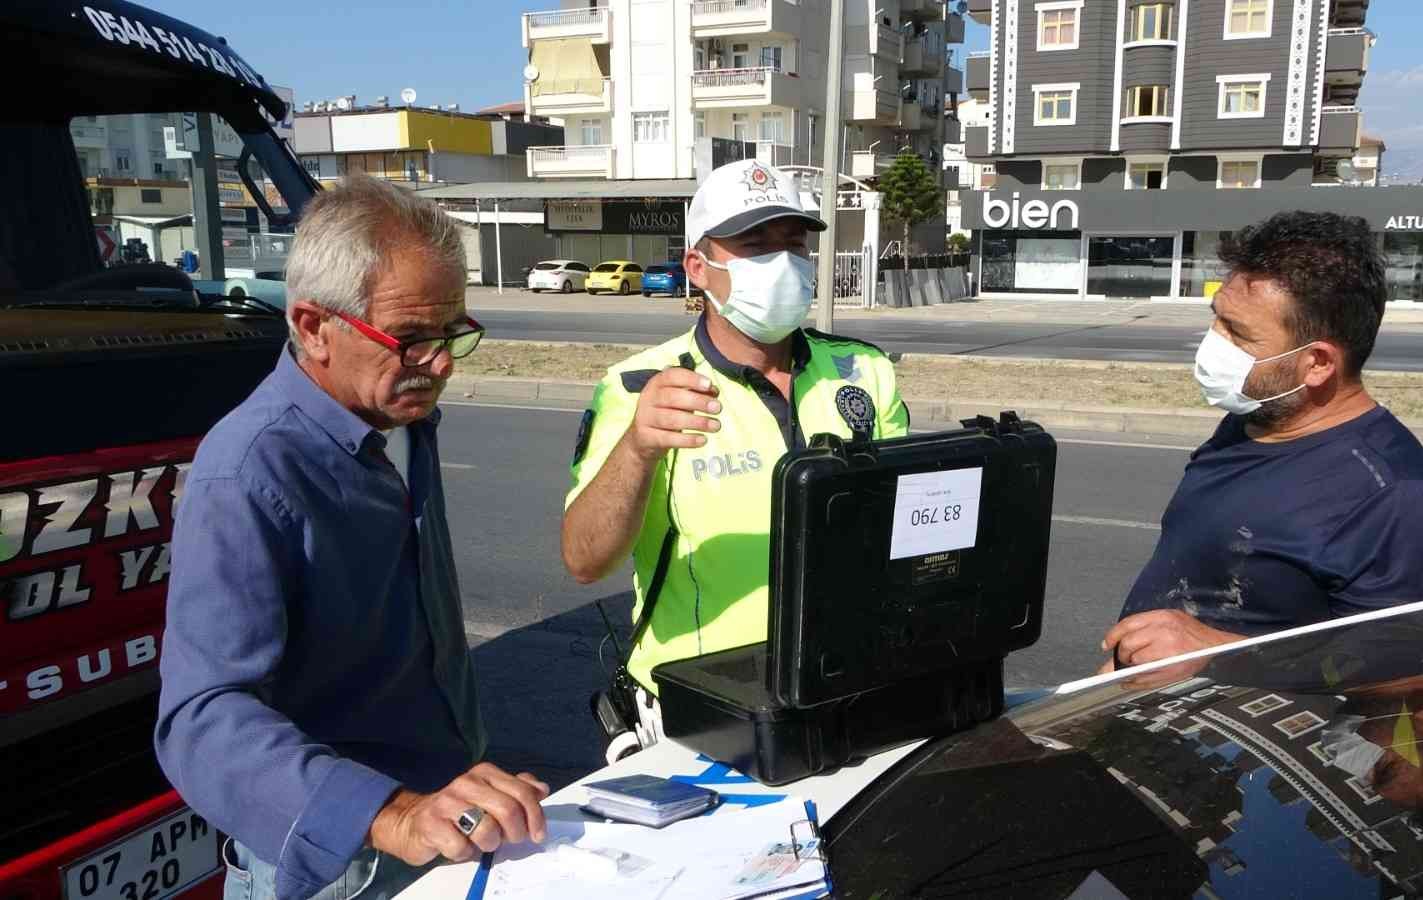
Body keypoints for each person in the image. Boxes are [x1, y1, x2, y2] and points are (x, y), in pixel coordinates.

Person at [156, 175, 548, 900]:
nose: (441, 364)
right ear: (312, 327)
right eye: (409, 340)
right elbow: (201, 719)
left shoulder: (400, 416)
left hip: (450, 816)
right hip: (348, 864)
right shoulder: (247, 470)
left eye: (453, 331)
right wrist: (390, 812)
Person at [562, 159, 910, 758]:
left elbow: (906, 530)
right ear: (698, 267)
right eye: (755, 245)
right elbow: (585, 560)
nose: (782, 262)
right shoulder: (639, 387)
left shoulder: (864, 370)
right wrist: (638, 446)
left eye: (793, 243)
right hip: (703, 713)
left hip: (848, 688)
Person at [1102, 211, 1423, 672]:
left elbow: (1410, 677)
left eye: (1238, 333)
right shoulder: (1254, 419)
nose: (1212, 343)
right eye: (1217, 319)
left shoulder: (1398, 501)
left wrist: (1214, 653)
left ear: (1317, 363)